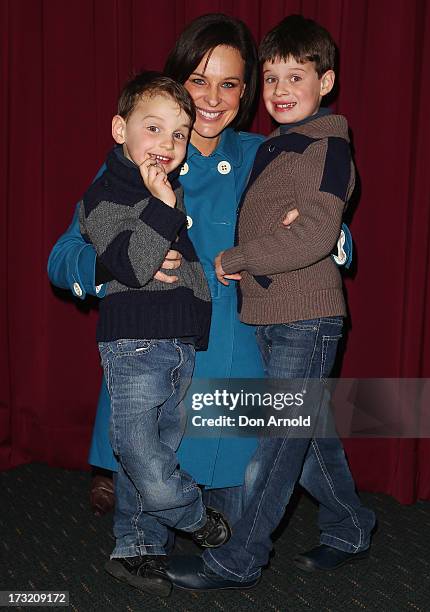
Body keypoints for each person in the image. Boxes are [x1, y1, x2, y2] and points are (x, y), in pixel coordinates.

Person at [47, 12, 353, 595]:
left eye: (231, 83)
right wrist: (107, 267)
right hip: (164, 358)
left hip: (241, 372)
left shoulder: (272, 152)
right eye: (198, 80)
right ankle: (136, 523)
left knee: (239, 525)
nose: (212, 99)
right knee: (151, 466)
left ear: (247, 93)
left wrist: (326, 234)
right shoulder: (145, 153)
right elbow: (64, 258)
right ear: (175, 83)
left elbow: (332, 229)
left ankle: (342, 521)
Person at [166, 14, 376, 591]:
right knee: (307, 441)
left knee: (277, 446)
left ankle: (238, 558)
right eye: (274, 78)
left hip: (306, 321)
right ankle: (352, 525)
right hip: (270, 319)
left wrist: (239, 258)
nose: (282, 91)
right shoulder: (277, 146)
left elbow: (315, 235)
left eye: (296, 78)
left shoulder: (327, 147)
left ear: (325, 83)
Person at [76, 70, 238, 597]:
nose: (167, 144)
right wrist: (163, 207)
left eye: (178, 133)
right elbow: (134, 265)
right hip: (135, 346)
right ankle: (192, 515)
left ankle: (135, 548)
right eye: (154, 128)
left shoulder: (167, 190)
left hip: (177, 346)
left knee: (157, 451)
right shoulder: (105, 194)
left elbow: (182, 268)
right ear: (120, 130)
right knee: (139, 451)